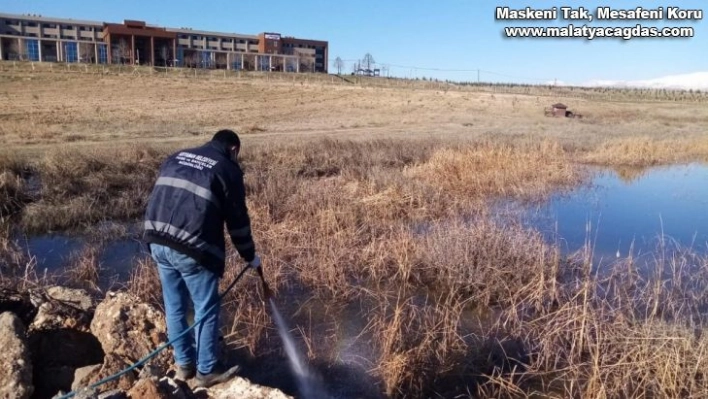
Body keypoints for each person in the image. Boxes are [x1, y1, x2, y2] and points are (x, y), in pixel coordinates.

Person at [143, 129, 261, 388]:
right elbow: (238, 222)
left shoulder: (178, 156)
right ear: (233, 149)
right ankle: (206, 370)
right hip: (192, 248)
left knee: (174, 306)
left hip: (156, 240)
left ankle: (184, 366)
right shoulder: (228, 169)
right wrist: (250, 256)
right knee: (205, 308)